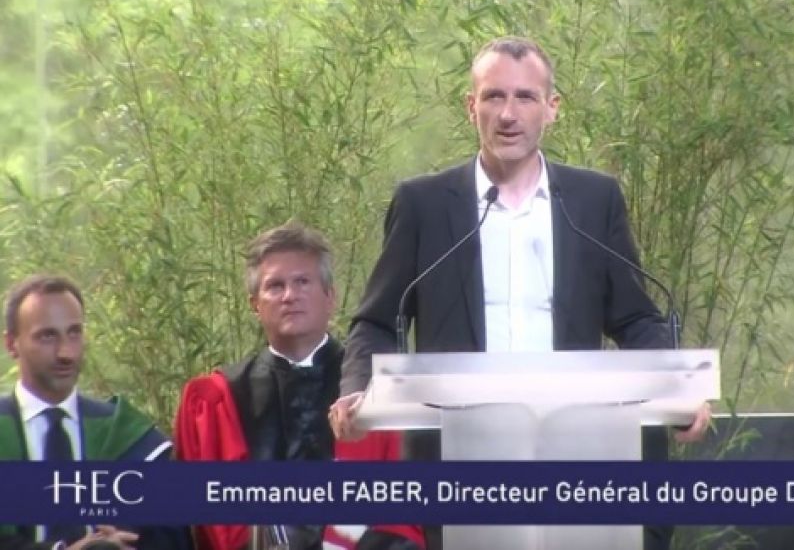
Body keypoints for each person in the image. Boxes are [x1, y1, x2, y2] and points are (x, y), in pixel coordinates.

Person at [330, 36, 711, 550]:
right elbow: (378, 321)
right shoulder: (422, 204)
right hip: (461, 455)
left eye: (525, 97)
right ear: (471, 107)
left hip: (579, 448)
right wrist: (357, 388)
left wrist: (680, 386)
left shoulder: (594, 200)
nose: (508, 114)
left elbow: (635, 316)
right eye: (493, 97)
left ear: (551, 109)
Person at [172, 221, 423, 550]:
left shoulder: (377, 394)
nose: (290, 295)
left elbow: (404, 517)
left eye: (303, 282)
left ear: (330, 297)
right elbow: (196, 518)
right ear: (255, 304)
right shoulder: (215, 400)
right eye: (275, 286)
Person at [0, 275, 191, 550]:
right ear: (11, 344)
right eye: (47, 336)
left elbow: (169, 537)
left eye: (74, 333)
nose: (66, 352)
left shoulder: (127, 436)